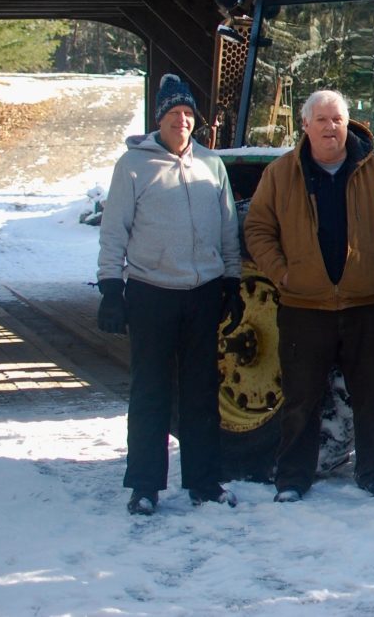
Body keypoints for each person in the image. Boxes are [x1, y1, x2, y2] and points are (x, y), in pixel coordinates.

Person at [244, 89, 374, 502]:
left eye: (336, 119)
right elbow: (258, 228)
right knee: (302, 397)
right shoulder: (282, 174)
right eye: (320, 120)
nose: (329, 127)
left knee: (371, 396)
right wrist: (284, 273)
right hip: (304, 306)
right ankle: (292, 478)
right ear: (305, 125)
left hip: (364, 303)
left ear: (347, 124)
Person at [97, 73, 243, 515]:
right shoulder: (133, 166)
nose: (182, 121)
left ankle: (204, 481)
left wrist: (232, 282)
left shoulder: (211, 165)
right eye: (174, 113)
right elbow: (113, 230)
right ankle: (145, 485)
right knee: (151, 392)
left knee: (202, 392)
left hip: (201, 293)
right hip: (151, 292)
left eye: (188, 114)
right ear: (159, 118)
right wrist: (110, 288)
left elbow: (227, 228)